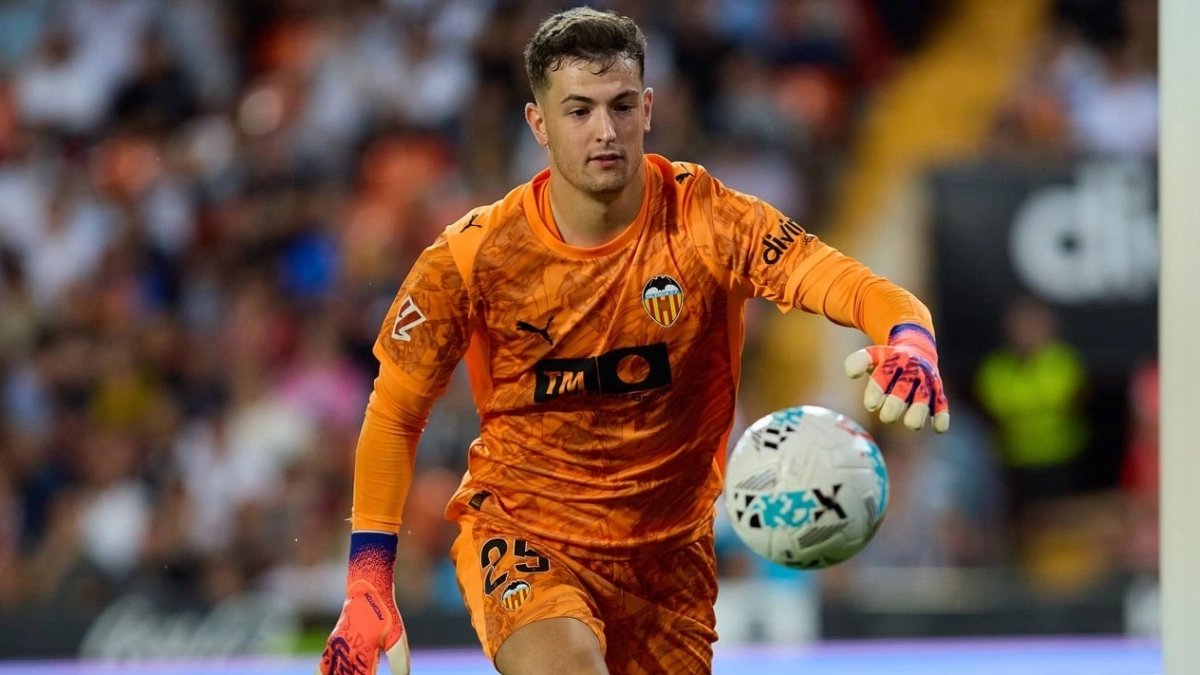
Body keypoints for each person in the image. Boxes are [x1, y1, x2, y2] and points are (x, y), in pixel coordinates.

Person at [316, 7, 950, 675]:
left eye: (621, 106)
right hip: (526, 535)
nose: (605, 130)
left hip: (671, 563)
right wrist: (368, 579)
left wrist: (909, 338)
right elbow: (395, 413)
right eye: (579, 110)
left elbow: (853, 285)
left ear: (647, 109)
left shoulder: (710, 220)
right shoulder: (472, 257)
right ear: (538, 123)